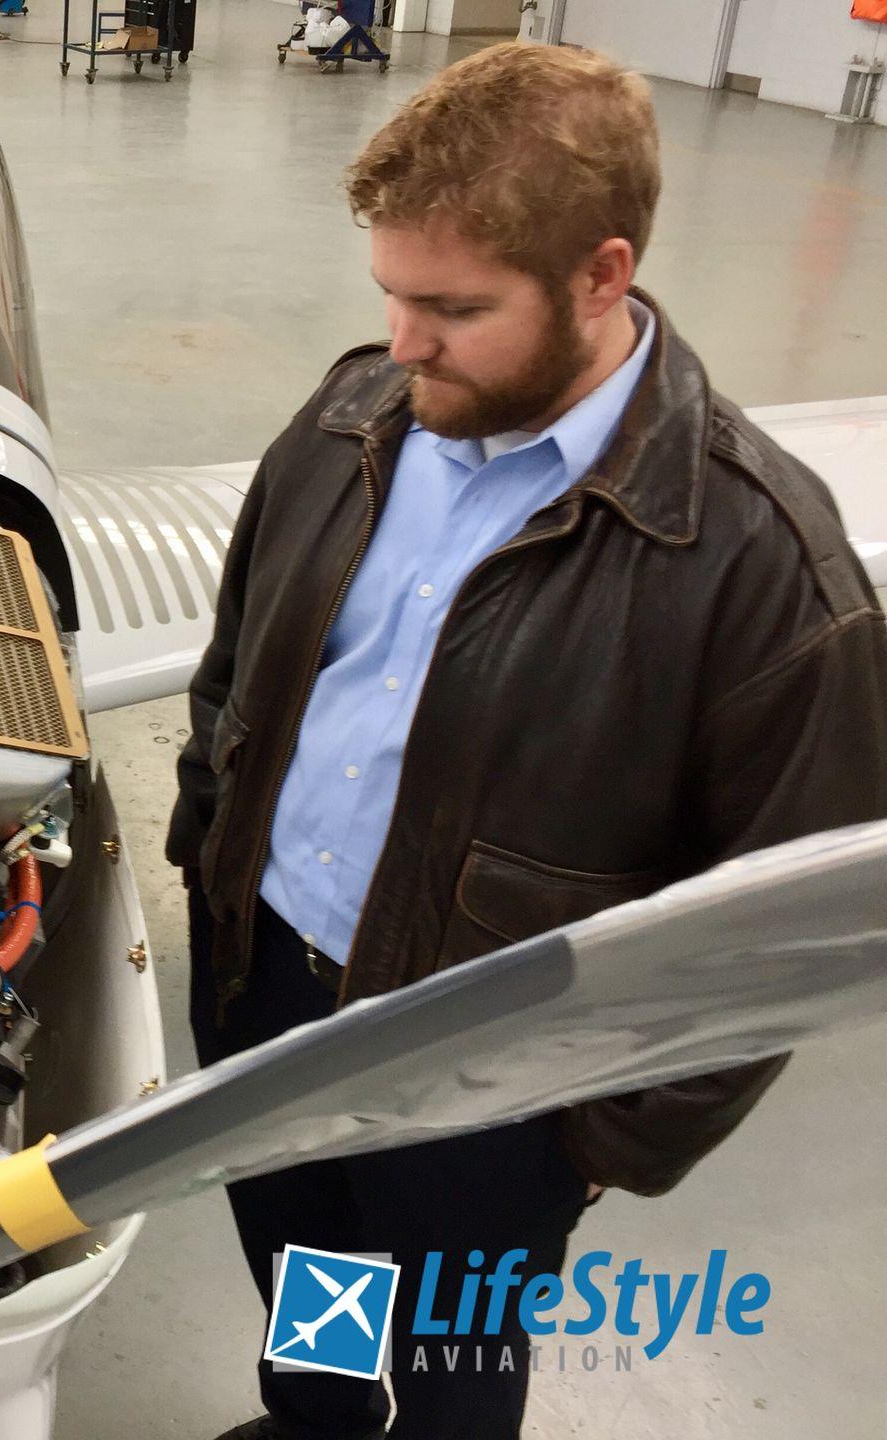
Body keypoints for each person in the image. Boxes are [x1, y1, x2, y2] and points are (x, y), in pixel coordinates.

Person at [167, 40, 887, 1440]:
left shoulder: (762, 572)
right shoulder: (348, 421)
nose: (402, 344)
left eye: (452, 309)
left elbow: (791, 937)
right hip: (272, 1008)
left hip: (492, 1092)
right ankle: (322, 1423)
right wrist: (214, 876)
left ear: (602, 277)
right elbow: (230, 682)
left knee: (446, 1367)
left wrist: (594, 1142)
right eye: (389, 294)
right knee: (314, 1288)